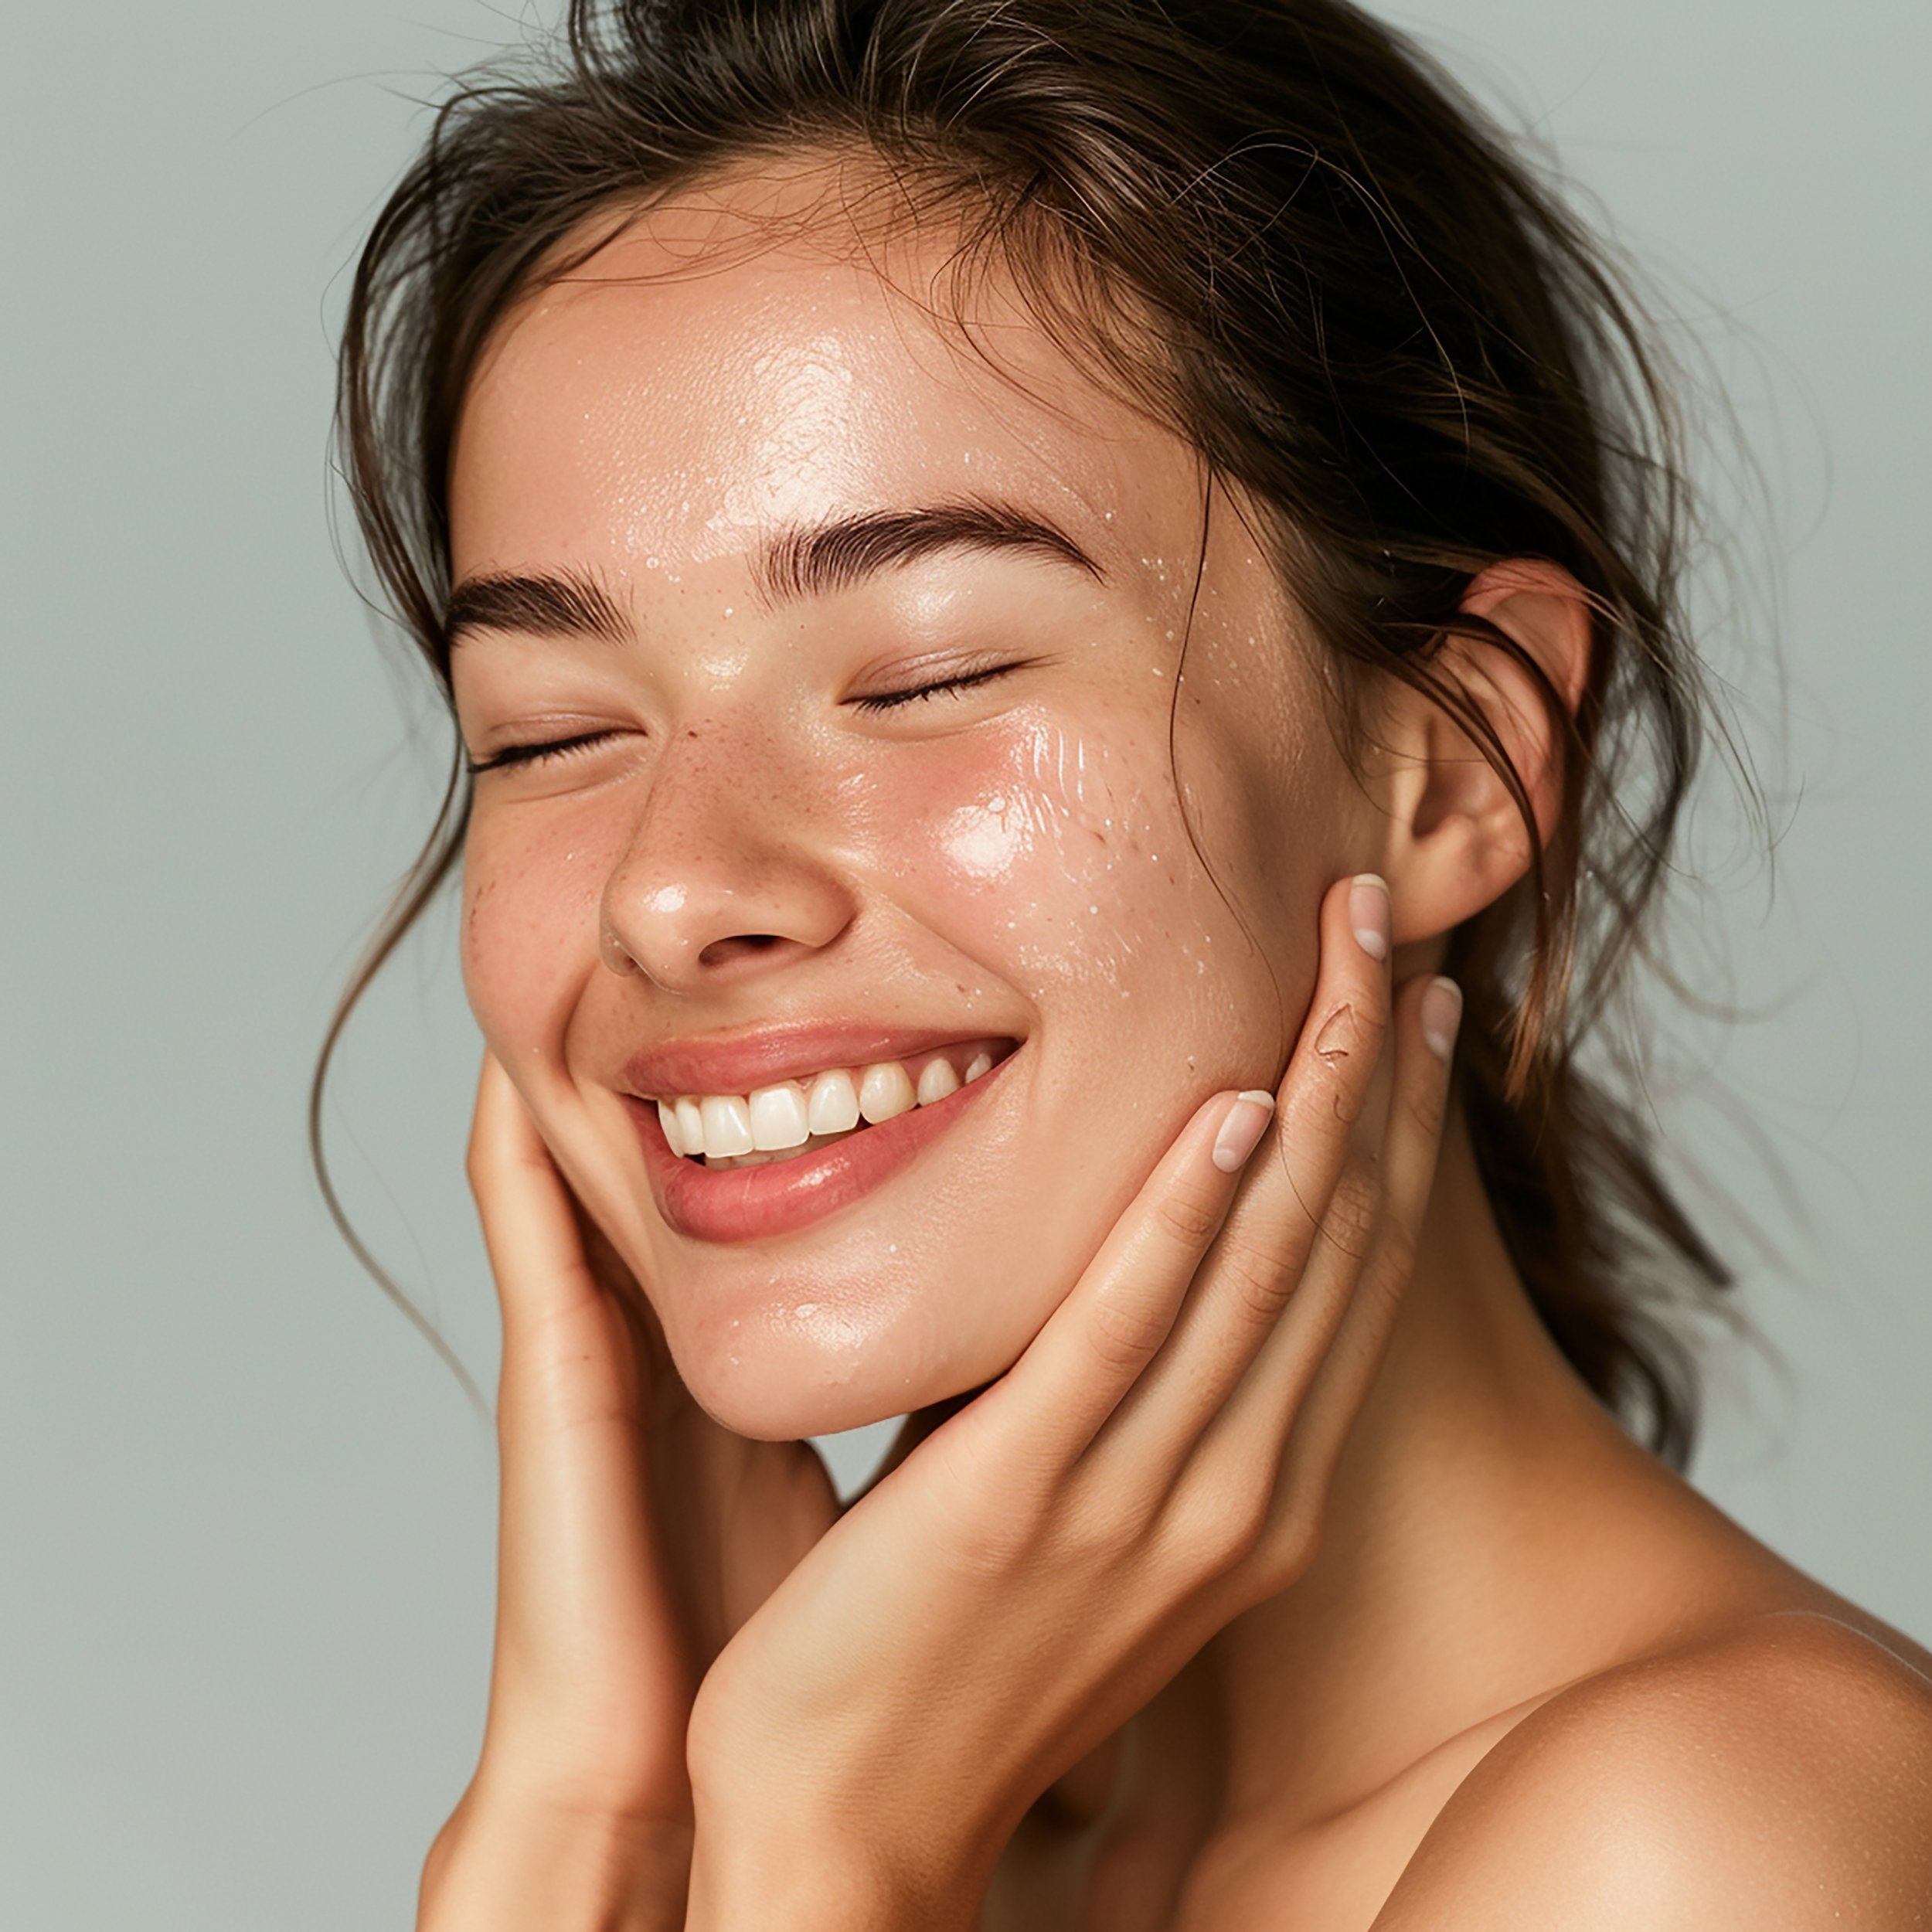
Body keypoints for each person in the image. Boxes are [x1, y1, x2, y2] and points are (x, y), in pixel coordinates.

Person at [321, 0, 1932, 1923]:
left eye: (924, 674)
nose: (669, 889)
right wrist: (590, 1819)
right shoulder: (847, 1802)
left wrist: (828, 1853)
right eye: (546, 734)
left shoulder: (1704, 1841)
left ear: (1453, 764)